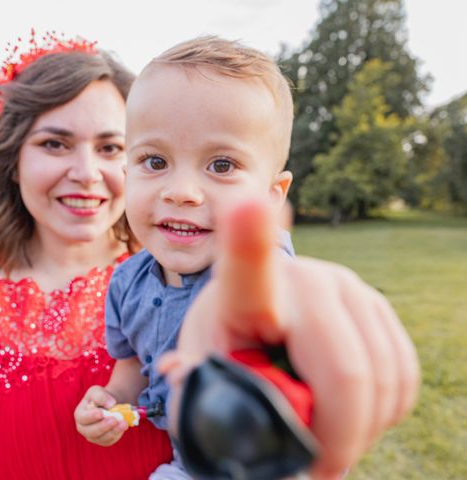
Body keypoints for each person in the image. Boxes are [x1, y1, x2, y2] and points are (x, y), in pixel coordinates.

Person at [74, 36, 419, 480]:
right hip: (184, 461)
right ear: (127, 175)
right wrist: (111, 401)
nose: (180, 191)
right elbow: (130, 369)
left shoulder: (257, 282)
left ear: (273, 196)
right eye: (155, 160)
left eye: (221, 165)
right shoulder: (125, 282)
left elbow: (279, 304)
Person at [0, 33, 174, 480]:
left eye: (109, 148)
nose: (86, 173)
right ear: (14, 159)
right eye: (55, 144)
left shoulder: (175, 275)